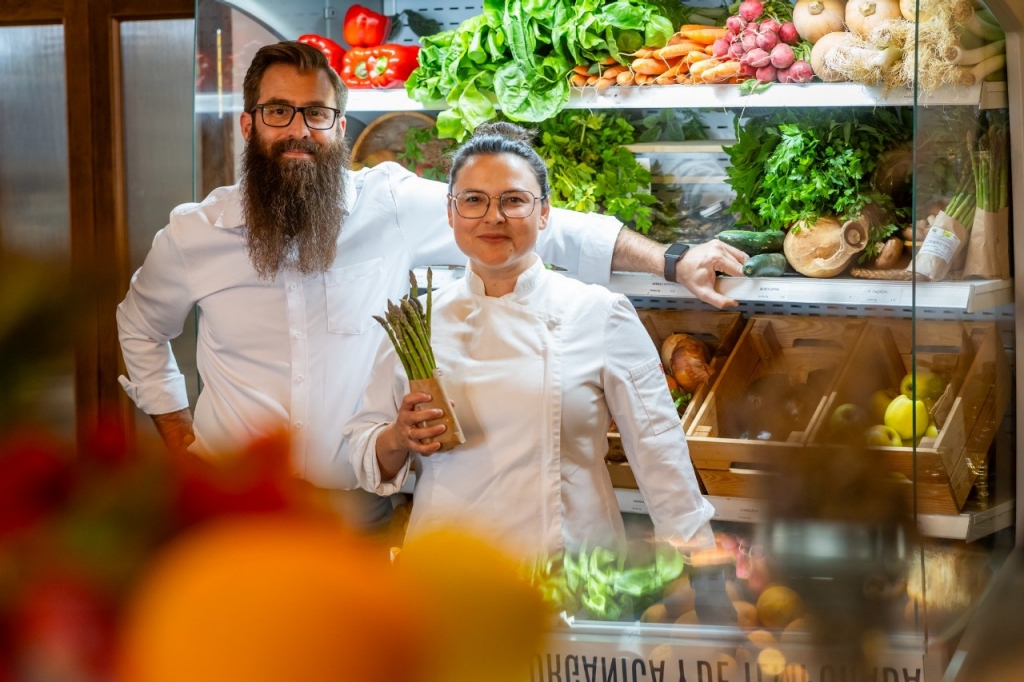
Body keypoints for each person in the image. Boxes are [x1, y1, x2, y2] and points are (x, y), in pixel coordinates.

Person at [116, 41, 745, 528]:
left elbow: (533, 222)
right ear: (250, 125)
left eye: (318, 114)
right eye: (280, 112)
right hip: (233, 510)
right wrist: (177, 433)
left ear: (339, 127)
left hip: (355, 507)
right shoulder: (195, 235)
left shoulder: (387, 203)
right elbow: (140, 325)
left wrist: (670, 258)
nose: (299, 131)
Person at [344, 122, 716, 560]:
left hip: (572, 577)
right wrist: (398, 436)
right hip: (445, 582)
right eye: (473, 200)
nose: (493, 217)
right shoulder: (417, 324)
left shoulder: (598, 314)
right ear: (450, 213)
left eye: (514, 200)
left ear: (544, 213)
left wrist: (701, 562)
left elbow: (660, 452)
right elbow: (367, 461)